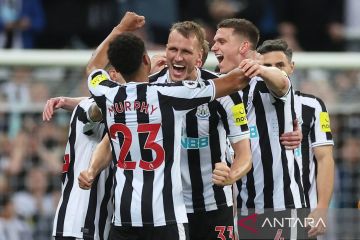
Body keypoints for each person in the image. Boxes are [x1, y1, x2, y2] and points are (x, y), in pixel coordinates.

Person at [78, 12, 254, 240]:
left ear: (199, 57)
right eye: (173, 49)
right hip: (168, 211)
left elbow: (244, 154)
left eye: (186, 52)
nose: (177, 57)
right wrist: (92, 169)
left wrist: (232, 174)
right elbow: (110, 142)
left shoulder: (225, 97)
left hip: (211, 205)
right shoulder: (155, 89)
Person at [212, 19, 306, 239]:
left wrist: (261, 68)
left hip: (282, 207)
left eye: (221, 41)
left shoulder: (264, 83)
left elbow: (282, 83)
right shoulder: (219, 88)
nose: (214, 47)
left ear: (243, 47)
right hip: (245, 209)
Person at [257, 39, 335, 238]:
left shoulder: (312, 106)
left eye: (279, 65)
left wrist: (322, 207)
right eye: (267, 66)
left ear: (291, 68)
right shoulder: (246, 106)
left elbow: (324, 158)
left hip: (300, 211)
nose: (274, 70)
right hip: (252, 212)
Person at [43, 64, 124, 240]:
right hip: (79, 225)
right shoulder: (88, 107)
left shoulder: (126, 113)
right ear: (114, 75)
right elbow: (95, 111)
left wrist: (67, 100)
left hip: (99, 225)